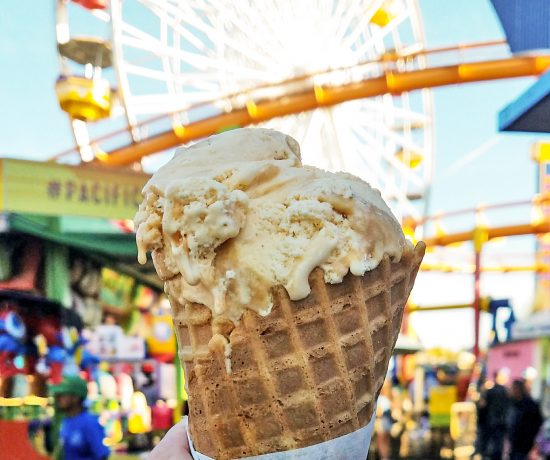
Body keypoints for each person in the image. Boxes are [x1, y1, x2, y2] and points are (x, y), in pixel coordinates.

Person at [50, 375, 110, 460]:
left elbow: (102, 455)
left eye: (63, 395)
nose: (58, 398)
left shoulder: (89, 423)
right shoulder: (65, 421)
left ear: (76, 398)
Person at [508, 378, 543, 460]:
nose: (511, 391)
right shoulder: (513, 403)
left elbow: (537, 423)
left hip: (525, 445)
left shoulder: (530, 405)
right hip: (515, 443)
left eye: (513, 388)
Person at [479, 373, 510, 460]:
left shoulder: (490, 391)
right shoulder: (505, 391)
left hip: (491, 421)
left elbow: (483, 406)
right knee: (498, 443)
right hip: (500, 421)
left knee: (491, 442)